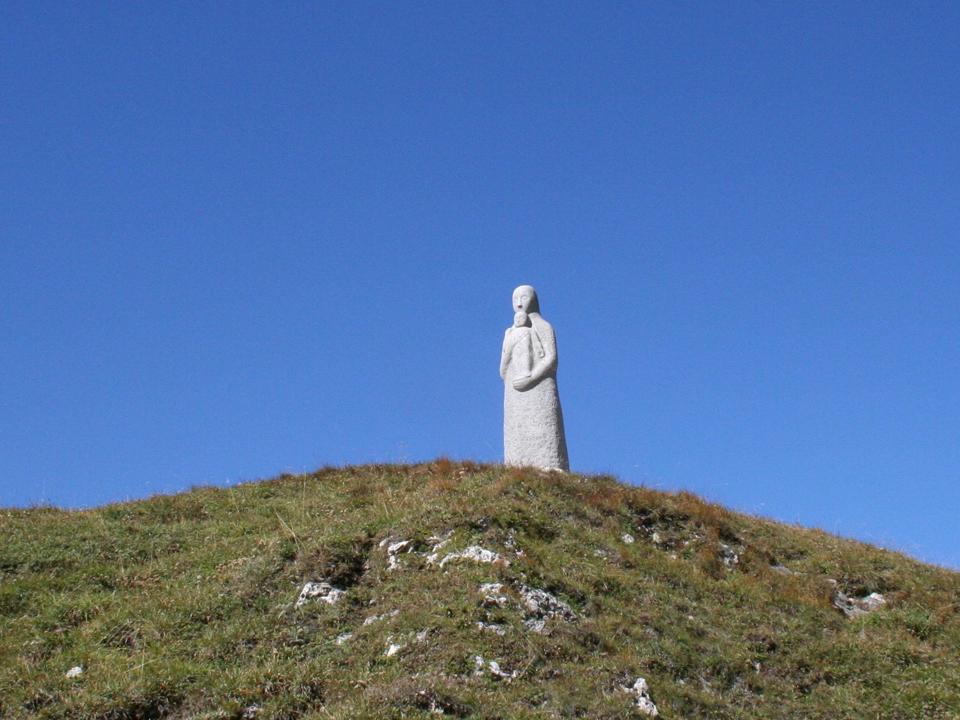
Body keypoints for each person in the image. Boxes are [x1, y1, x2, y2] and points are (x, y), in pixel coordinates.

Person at [500, 285, 569, 471]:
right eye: (515, 299)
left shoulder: (544, 326)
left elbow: (552, 359)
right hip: (514, 390)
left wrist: (532, 378)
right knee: (517, 428)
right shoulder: (509, 332)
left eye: (524, 297)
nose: (519, 302)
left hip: (540, 388)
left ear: (534, 299)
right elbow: (503, 367)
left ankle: (549, 464)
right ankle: (516, 467)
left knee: (544, 426)